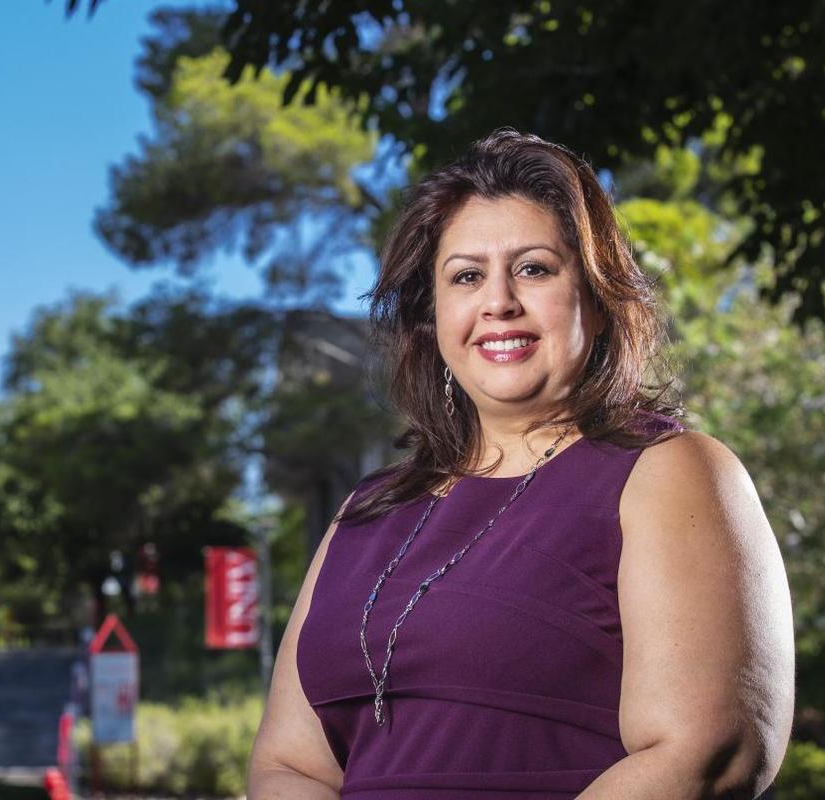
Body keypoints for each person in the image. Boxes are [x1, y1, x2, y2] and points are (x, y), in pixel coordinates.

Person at [246, 129, 795, 799]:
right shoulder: (364, 513)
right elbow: (288, 766)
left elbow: (705, 751)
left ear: (596, 297)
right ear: (432, 317)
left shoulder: (668, 472)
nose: (498, 301)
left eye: (534, 268)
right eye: (466, 276)